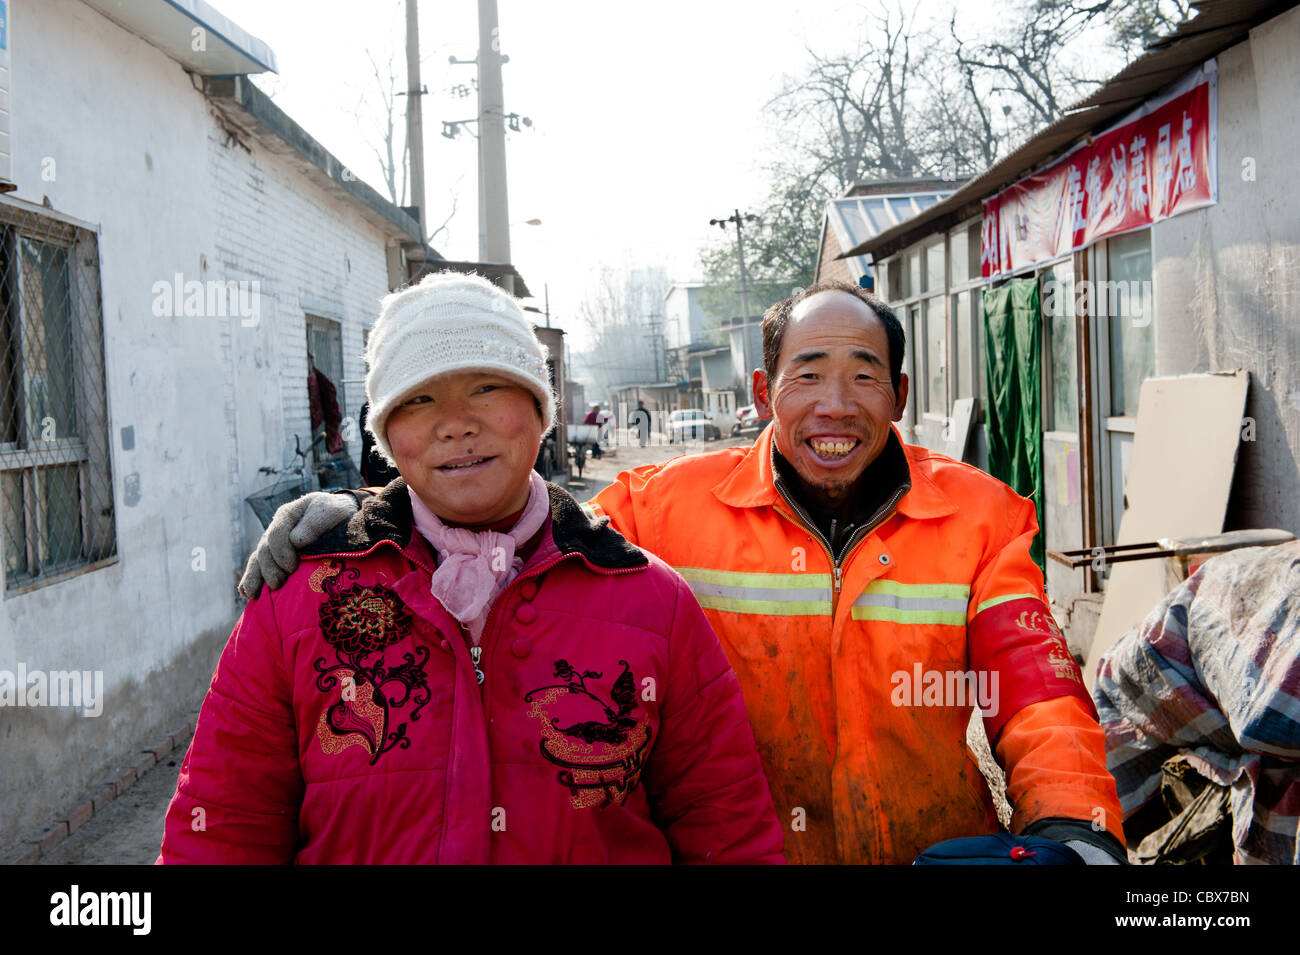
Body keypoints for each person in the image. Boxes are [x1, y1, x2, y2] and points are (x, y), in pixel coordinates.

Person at [241, 280, 1125, 865]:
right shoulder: (666, 509)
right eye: (806, 374)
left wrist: (1070, 828)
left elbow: (1039, 693)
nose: (835, 404)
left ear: (899, 393)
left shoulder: (979, 515)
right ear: (759, 392)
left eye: (865, 377)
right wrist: (373, 517)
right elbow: (507, 526)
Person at [160, 271, 782, 865]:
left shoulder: (651, 601)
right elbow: (221, 828)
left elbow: (727, 829)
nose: (456, 423)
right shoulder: (300, 600)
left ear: (542, 411)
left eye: (486, 387)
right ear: (386, 436)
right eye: (419, 398)